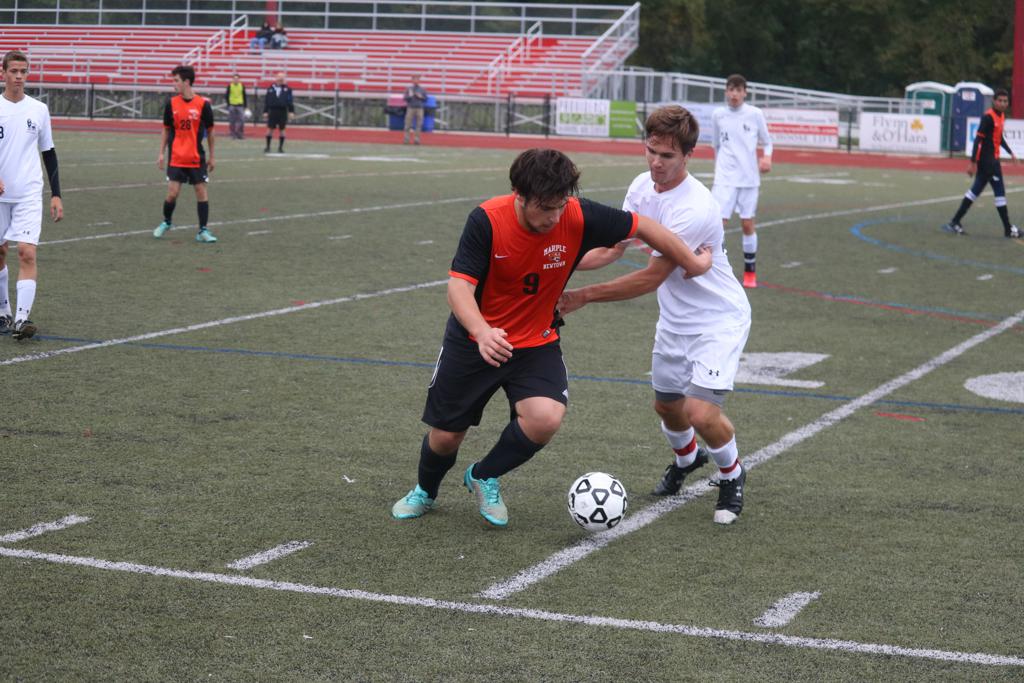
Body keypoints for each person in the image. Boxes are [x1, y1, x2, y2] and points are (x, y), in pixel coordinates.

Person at [391, 148, 713, 527]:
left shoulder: (576, 212)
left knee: (545, 418)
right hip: (477, 340)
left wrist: (693, 263)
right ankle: (425, 491)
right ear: (519, 194)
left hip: (536, 341)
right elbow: (459, 287)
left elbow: (644, 226)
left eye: (561, 205)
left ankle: (483, 475)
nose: (555, 216)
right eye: (546, 208)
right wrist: (480, 332)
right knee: (446, 437)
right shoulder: (486, 221)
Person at [559, 105, 752, 525]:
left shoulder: (696, 207)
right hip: (675, 321)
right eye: (651, 151)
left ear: (688, 155)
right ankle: (686, 461)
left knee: (700, 413)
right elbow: (613, 249)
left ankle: (732, 474)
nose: (656, 163)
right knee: (667, 406)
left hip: (718, 320)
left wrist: (584, 296)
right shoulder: (641, 187)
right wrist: (561, 264)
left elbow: (651, 277)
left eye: (667, 156)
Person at [0, 50, 64, 341]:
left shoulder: (38, 109)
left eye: (23, 71)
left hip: (28, 194)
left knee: (26, 251)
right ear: (3, 74)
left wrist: (56, 195)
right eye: (13, 71)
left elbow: (48, 152)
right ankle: (4, 311)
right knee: (0, 252)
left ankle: (23, 319)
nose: (18, 77)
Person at [710, 74, 772, 289]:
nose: (734, 94)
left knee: (747, 223)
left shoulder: (755, 114)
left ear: (745, 92)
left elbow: (768, 141)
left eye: (739, 90)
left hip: (749, 178)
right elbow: (716, 145)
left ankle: (750, 272)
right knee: (717, 224)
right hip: (725, 178)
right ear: (726, 92)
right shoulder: (718, 115)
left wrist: (767, 157)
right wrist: (720, 170)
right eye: (731, 89)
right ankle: (717, 270)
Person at [942, 88, 1021, 238]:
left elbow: (999, 138)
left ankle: (954, 222)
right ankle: (1008, 229)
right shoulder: (988, 117)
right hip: (988, 163)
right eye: (1000, 100)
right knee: (999, 194)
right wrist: (972, 162)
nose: (1003, 103)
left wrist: (1010, 152)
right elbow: (978, 140)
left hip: (992, 161)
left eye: (1005, 101)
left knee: (975, 192)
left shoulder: (1001, 116)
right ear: (994, 101)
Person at [153, 64, 218, 243]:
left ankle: (202, 231)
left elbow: (211, 132)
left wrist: (212, 156)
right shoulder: (171, 104)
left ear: (186, 82)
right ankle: (166, 222)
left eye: (176, 81)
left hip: (196, 157)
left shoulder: (203, 104)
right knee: (172, 194)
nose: (174, 84)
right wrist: (161, 153)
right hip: (176, 157)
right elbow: (166, 130)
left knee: (201, 192)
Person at [263, 72, 294, 153]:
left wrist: (291, 111)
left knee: (282, 129)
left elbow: (290, 101)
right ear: (276, 78)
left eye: (282, 77)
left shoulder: (288, 89)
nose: (281, 79)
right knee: (270, 129)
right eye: (279, 77)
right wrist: (265, 111)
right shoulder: (270, 88)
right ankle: (268, 147)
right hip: (272, 111)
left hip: (282, 111)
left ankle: (280, 147)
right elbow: (266, 101)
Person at [403, 74, 428, 145]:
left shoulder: (422, 89)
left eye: (417, 79)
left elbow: (426, 99)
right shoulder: (409, 89)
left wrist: (420, 97)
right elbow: (405, 98)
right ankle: (406, 139)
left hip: (419, 108)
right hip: (410, 107)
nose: (416, 80)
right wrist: (410, 96)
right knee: (407, 124)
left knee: (418, 125)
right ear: (412, 80)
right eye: (415, 79)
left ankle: (417, 139)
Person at [225, 73, 247, 140]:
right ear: (232, 79)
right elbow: (227, 95)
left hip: (240, 105)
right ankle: (233, 134)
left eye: (237, 79)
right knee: (232, 121)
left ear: (239, 79)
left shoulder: (242, 86)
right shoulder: (230, 86)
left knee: (242, 120)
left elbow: (244, 95)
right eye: (234, 79)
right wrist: (228, 104)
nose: (236, 80)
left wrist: (245, 105)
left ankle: (240, 134)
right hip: (232, 105)